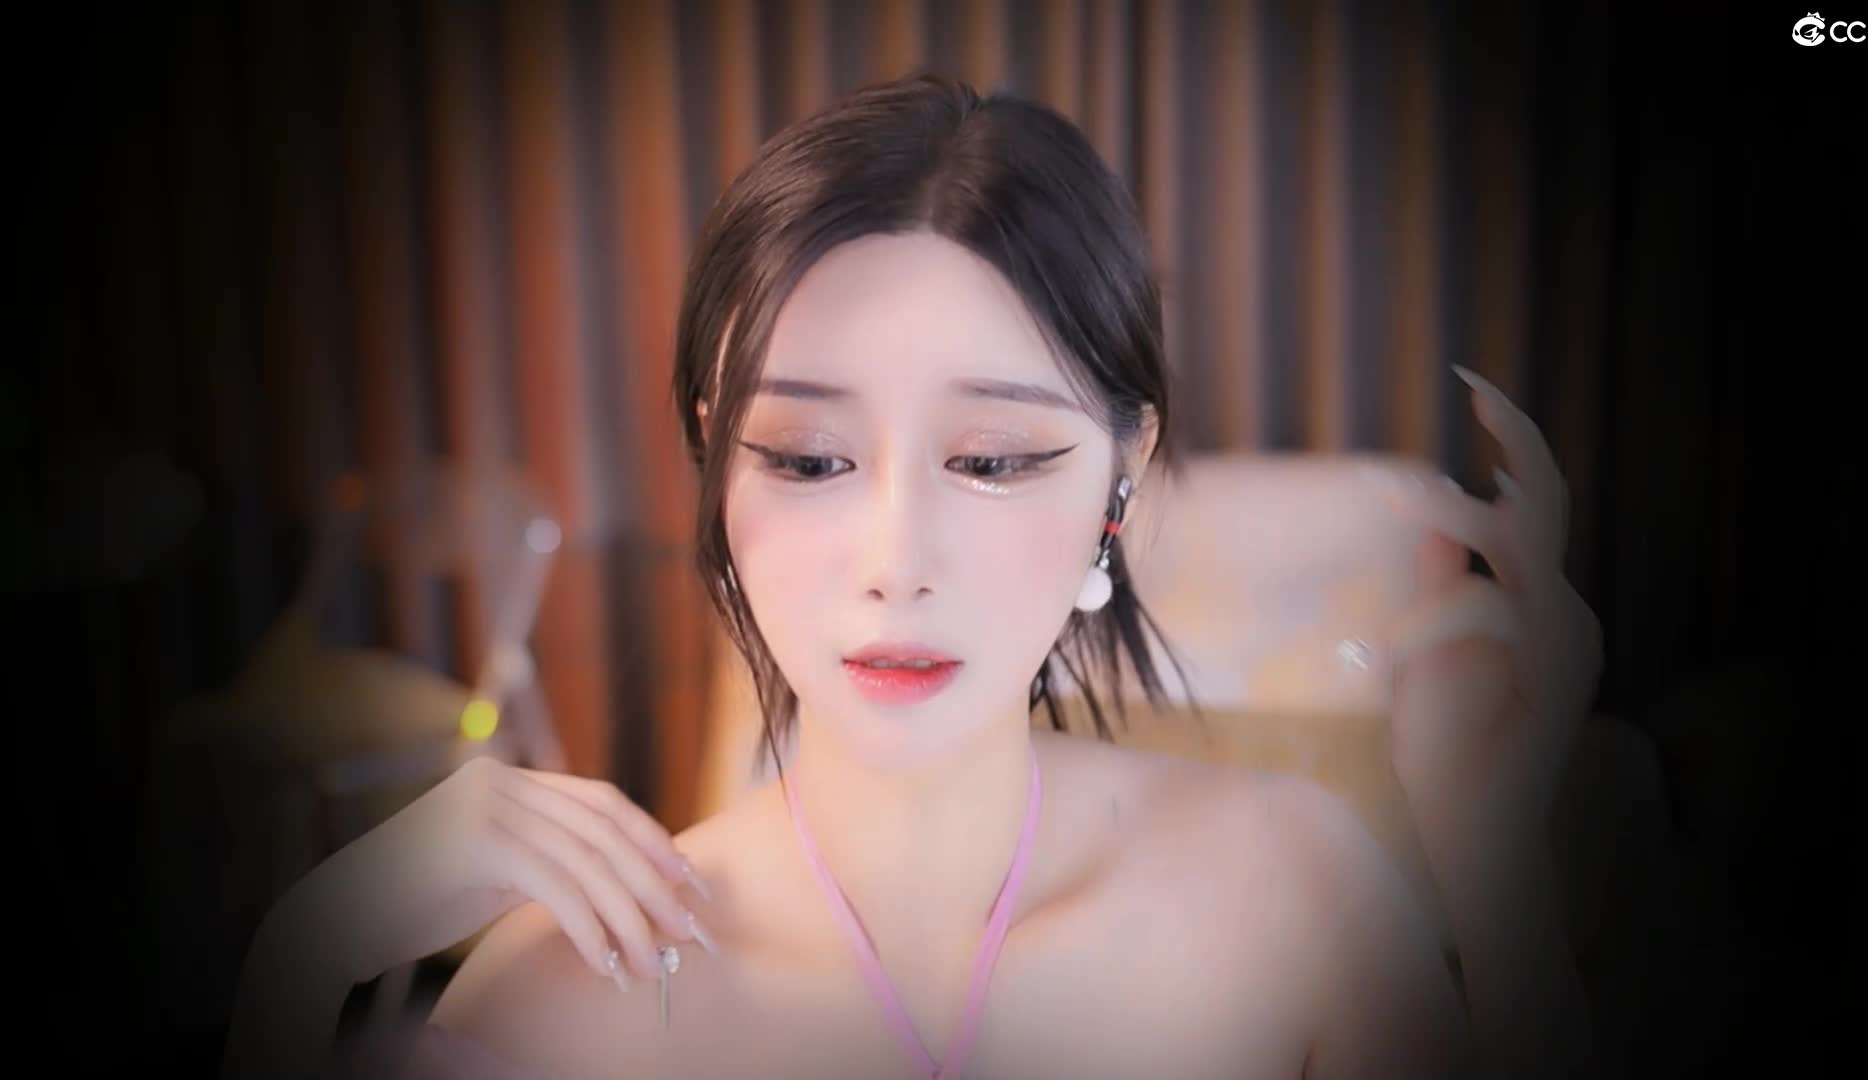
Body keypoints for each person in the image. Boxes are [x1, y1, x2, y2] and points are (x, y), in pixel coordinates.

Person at [222, 72, 1603, 1080]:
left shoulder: (1294, 891)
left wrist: (1500, 868)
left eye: (992, 461)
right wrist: (300, 961)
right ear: (716, 461)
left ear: (1120, 477)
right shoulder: (563, 996)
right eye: (809, 458)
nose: (896, 564)